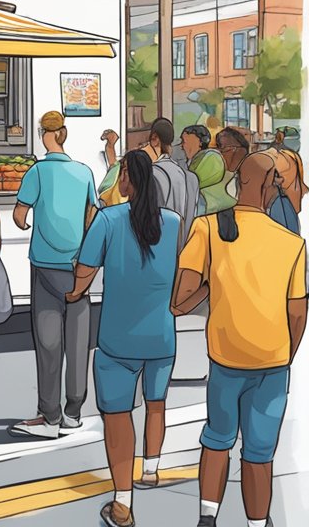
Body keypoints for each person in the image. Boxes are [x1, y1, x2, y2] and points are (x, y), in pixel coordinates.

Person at [172, 152, 306, 527]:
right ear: (269, 188)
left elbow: (179, 303)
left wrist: (213, 281)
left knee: (217, 439)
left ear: (236, 182)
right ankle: (258, 523)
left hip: (226, 359)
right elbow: (297, 313)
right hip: (273, 363)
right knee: (260, 453)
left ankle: (207, 518)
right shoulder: (293, 244)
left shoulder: (208, 229)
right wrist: (285, 352)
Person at [67, 150, 183, 527]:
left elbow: (84, 270)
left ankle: (122, 501)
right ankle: (151, 468)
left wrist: (74, 294)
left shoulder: (108, 220)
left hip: (119, 338)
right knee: (156, 403)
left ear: (128, 180)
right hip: (161, 334)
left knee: (117, 416)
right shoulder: (174, 222)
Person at [11, 111, 98, 440]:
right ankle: (73, 412)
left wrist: (32, 222)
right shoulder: (84, 171)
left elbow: (20, 216)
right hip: (79, 268)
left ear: (43, 134)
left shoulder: (37, 172)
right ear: (64, 133)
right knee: (78, 341)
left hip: (46, 266)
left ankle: (49, 415)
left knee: (49, 341)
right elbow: (92, 214)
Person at [147, 118, 200, 242]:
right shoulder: (189, 176)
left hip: (158, 246)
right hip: (181, 247)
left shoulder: (154, 172)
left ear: (154, 139)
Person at [183, 125, 234, 216]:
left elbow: (194, 184)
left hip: (210, 209)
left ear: (200, 143)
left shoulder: (212, 157)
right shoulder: (194, 160)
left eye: (185, 142)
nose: (182, 146)